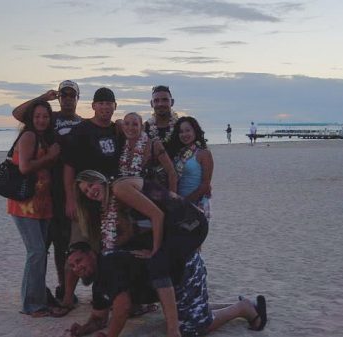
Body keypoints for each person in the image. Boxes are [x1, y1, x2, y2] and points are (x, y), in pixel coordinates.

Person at [66, 222, 268, 337]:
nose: (77, 268)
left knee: (192, 328)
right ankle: (224, 305)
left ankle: (244, 308)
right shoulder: (98, 281)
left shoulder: (109, 265)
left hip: (182, 268)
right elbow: (99, 317)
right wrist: (83, 330)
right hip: (168, 280)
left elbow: (123, 307)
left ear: (92, 254)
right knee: (186, 311)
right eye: (73, 267)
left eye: (79, 261)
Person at [74, 170, 210, 337]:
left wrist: (155, 250)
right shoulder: (113, 200)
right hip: (174, 226)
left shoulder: (119, 188)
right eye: (86, 192)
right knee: (141, 255)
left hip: (190, 223)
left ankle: (173, 331)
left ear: (99, 179)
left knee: (157, 263)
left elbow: (157, 215)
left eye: (90, 185)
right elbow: (137, 229)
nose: (90, 192)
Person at [12, 80, 82, 305]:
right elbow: (20, 113)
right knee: (42, 248)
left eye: (72, 95)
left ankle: (62, 287)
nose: (68, 98)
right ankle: (36, 294)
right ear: (59, 97)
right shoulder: (51, 119)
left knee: (62, 244)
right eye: (64, 95)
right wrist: (43, 97)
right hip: (42, 191)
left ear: (77, 98)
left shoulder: (81, 123)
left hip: (63, 191)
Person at [60, 87, 124, 314]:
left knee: (104, 249)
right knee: (77, 248)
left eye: (109, 103)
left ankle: (105, 296)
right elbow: (68, 166)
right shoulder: (82, 130)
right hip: (84, 200)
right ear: (94, 106)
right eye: (101, 103)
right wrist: (70, 199)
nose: (105, 107)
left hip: (110, 201)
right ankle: (68, 298)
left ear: (114, 107)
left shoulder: (118, 131)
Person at [7, 100, 61, 317]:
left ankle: (37, 299)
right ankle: (32, 305)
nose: (41, 120)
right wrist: (50, 157)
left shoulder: (43, 138)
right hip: (24, 205)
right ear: (31, 118)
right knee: (36, 252)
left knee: (39, 253)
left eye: (45, 116)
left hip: (42, 204)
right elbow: (25, 167)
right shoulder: (29, 136)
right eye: (37, 116)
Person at [168, 116, 214, 222]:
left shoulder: (204, 153)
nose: (184, 134)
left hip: (195, 204)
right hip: (178, 202)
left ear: (195, 131)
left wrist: (185, 202)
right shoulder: (178, 153)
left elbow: (205, 184)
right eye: (181, 132)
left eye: (188, 130)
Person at [120, 112, 177, 192]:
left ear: (142, 127)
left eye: (135, 124)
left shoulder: (154, 145)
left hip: (152, 197)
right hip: (128, 195)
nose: (130, 128)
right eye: (127, 124)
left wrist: (172, 197)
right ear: (122, 127)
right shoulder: (121, 144)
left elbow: (172, 172)